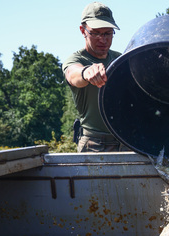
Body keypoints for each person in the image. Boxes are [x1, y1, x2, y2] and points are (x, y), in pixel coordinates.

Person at [62, 2, 125, 152]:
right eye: (96, 33)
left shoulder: (121, 59)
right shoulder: (76, 60)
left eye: (108, 33)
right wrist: (86, 73)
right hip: (94, 144)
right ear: (83, 31)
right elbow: (73, 75)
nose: (102, 40)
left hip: (126, 141)